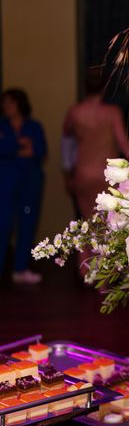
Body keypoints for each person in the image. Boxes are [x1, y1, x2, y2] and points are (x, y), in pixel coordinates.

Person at [63, 68, 129, 276]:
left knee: (86, 221)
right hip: (106, 175)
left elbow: (66, 143)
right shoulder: (112, 113)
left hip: (83, 172)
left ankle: (86, 271)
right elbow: (124, 145)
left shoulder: (75, 112)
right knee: (107, 223)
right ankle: (104, 273)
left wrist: (67, 172)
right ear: (105, 86)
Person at [0, 89, 47, 284]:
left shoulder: (34, 126)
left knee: (27, 224)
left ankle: (20, 268)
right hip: (6, 183)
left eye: (10, 102)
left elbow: (40, 150)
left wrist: (28, 148)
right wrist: (19, 146)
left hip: (30, 182)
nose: (6, 106)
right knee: (3, 225)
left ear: (20, 104)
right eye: (5, 103)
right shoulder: (2, 125)